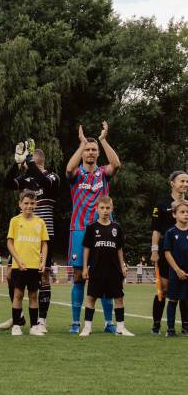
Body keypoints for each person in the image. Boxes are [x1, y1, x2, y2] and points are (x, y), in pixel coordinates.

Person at [65, 122, 120, 333]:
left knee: (106, 275)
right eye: (87, 149)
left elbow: (116, 163)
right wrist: (81, 143)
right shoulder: (77, 175)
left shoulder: (103, 173)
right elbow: (68, 169)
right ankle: (76, 322)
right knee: (79, 276)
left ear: (98, 153)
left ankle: (109, 323)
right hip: (79, 229)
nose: (90, 152)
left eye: (93, 150)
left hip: (104, 229)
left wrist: (103, 140)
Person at [0, 141, 60, 330]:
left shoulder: (51, 177)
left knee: (43, 276)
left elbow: (43, 182)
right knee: (11, 275)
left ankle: (41, 320)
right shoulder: (26, 178)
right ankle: (18, 316)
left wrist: (28, 161)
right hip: (23, 238)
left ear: (35, 161)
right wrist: (15, 163)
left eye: (28, 162)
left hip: (43, 236)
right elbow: (6, 182)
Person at [79, 197, 133, 337]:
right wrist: (85, 267)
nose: (105, 211)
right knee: (91, 297)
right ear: (97, 209)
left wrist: (122, 266)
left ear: (112, 208)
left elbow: (119, 249)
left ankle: (120, 328)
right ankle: (87, 327)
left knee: (119, 298)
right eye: (102, 208)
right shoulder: (92, 227)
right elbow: (86, 249)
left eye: (107, 208)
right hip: (96, 269)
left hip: (114, 269)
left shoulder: (116, 227)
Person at [6, 190, 49, 336]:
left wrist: (43, 262)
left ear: (36, 204)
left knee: (33, 296)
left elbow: (44, 244)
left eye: (32, 203)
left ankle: (33, 327)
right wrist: (17, 260)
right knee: (18, 294)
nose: (29, 206)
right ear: (20, 204)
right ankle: (16, 325)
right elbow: (10, 243)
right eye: (26, 203)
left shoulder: (40, 222)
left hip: (34, 265)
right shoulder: (15, 221)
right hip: (19, 266)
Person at [150, 171, 188, 333]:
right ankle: (157, 324)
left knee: (185, 291)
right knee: (164, 290)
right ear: (172, 183)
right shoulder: (161, 204)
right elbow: (156, 230)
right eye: (182, 181)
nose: (185, 184)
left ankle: (184, 326)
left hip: (184, 253)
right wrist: (154, 251)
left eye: (187, 181)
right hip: (166, 252)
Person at [162, 199, 188, 337]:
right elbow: (167, 253)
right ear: (174, 215)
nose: (186, 214)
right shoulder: (170, 232)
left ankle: (186, 327)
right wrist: (177, 270)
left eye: (187, 212)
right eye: (182, 212)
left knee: (186, 300)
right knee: (173, 300)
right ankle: (170, 329)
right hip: (175, 273)